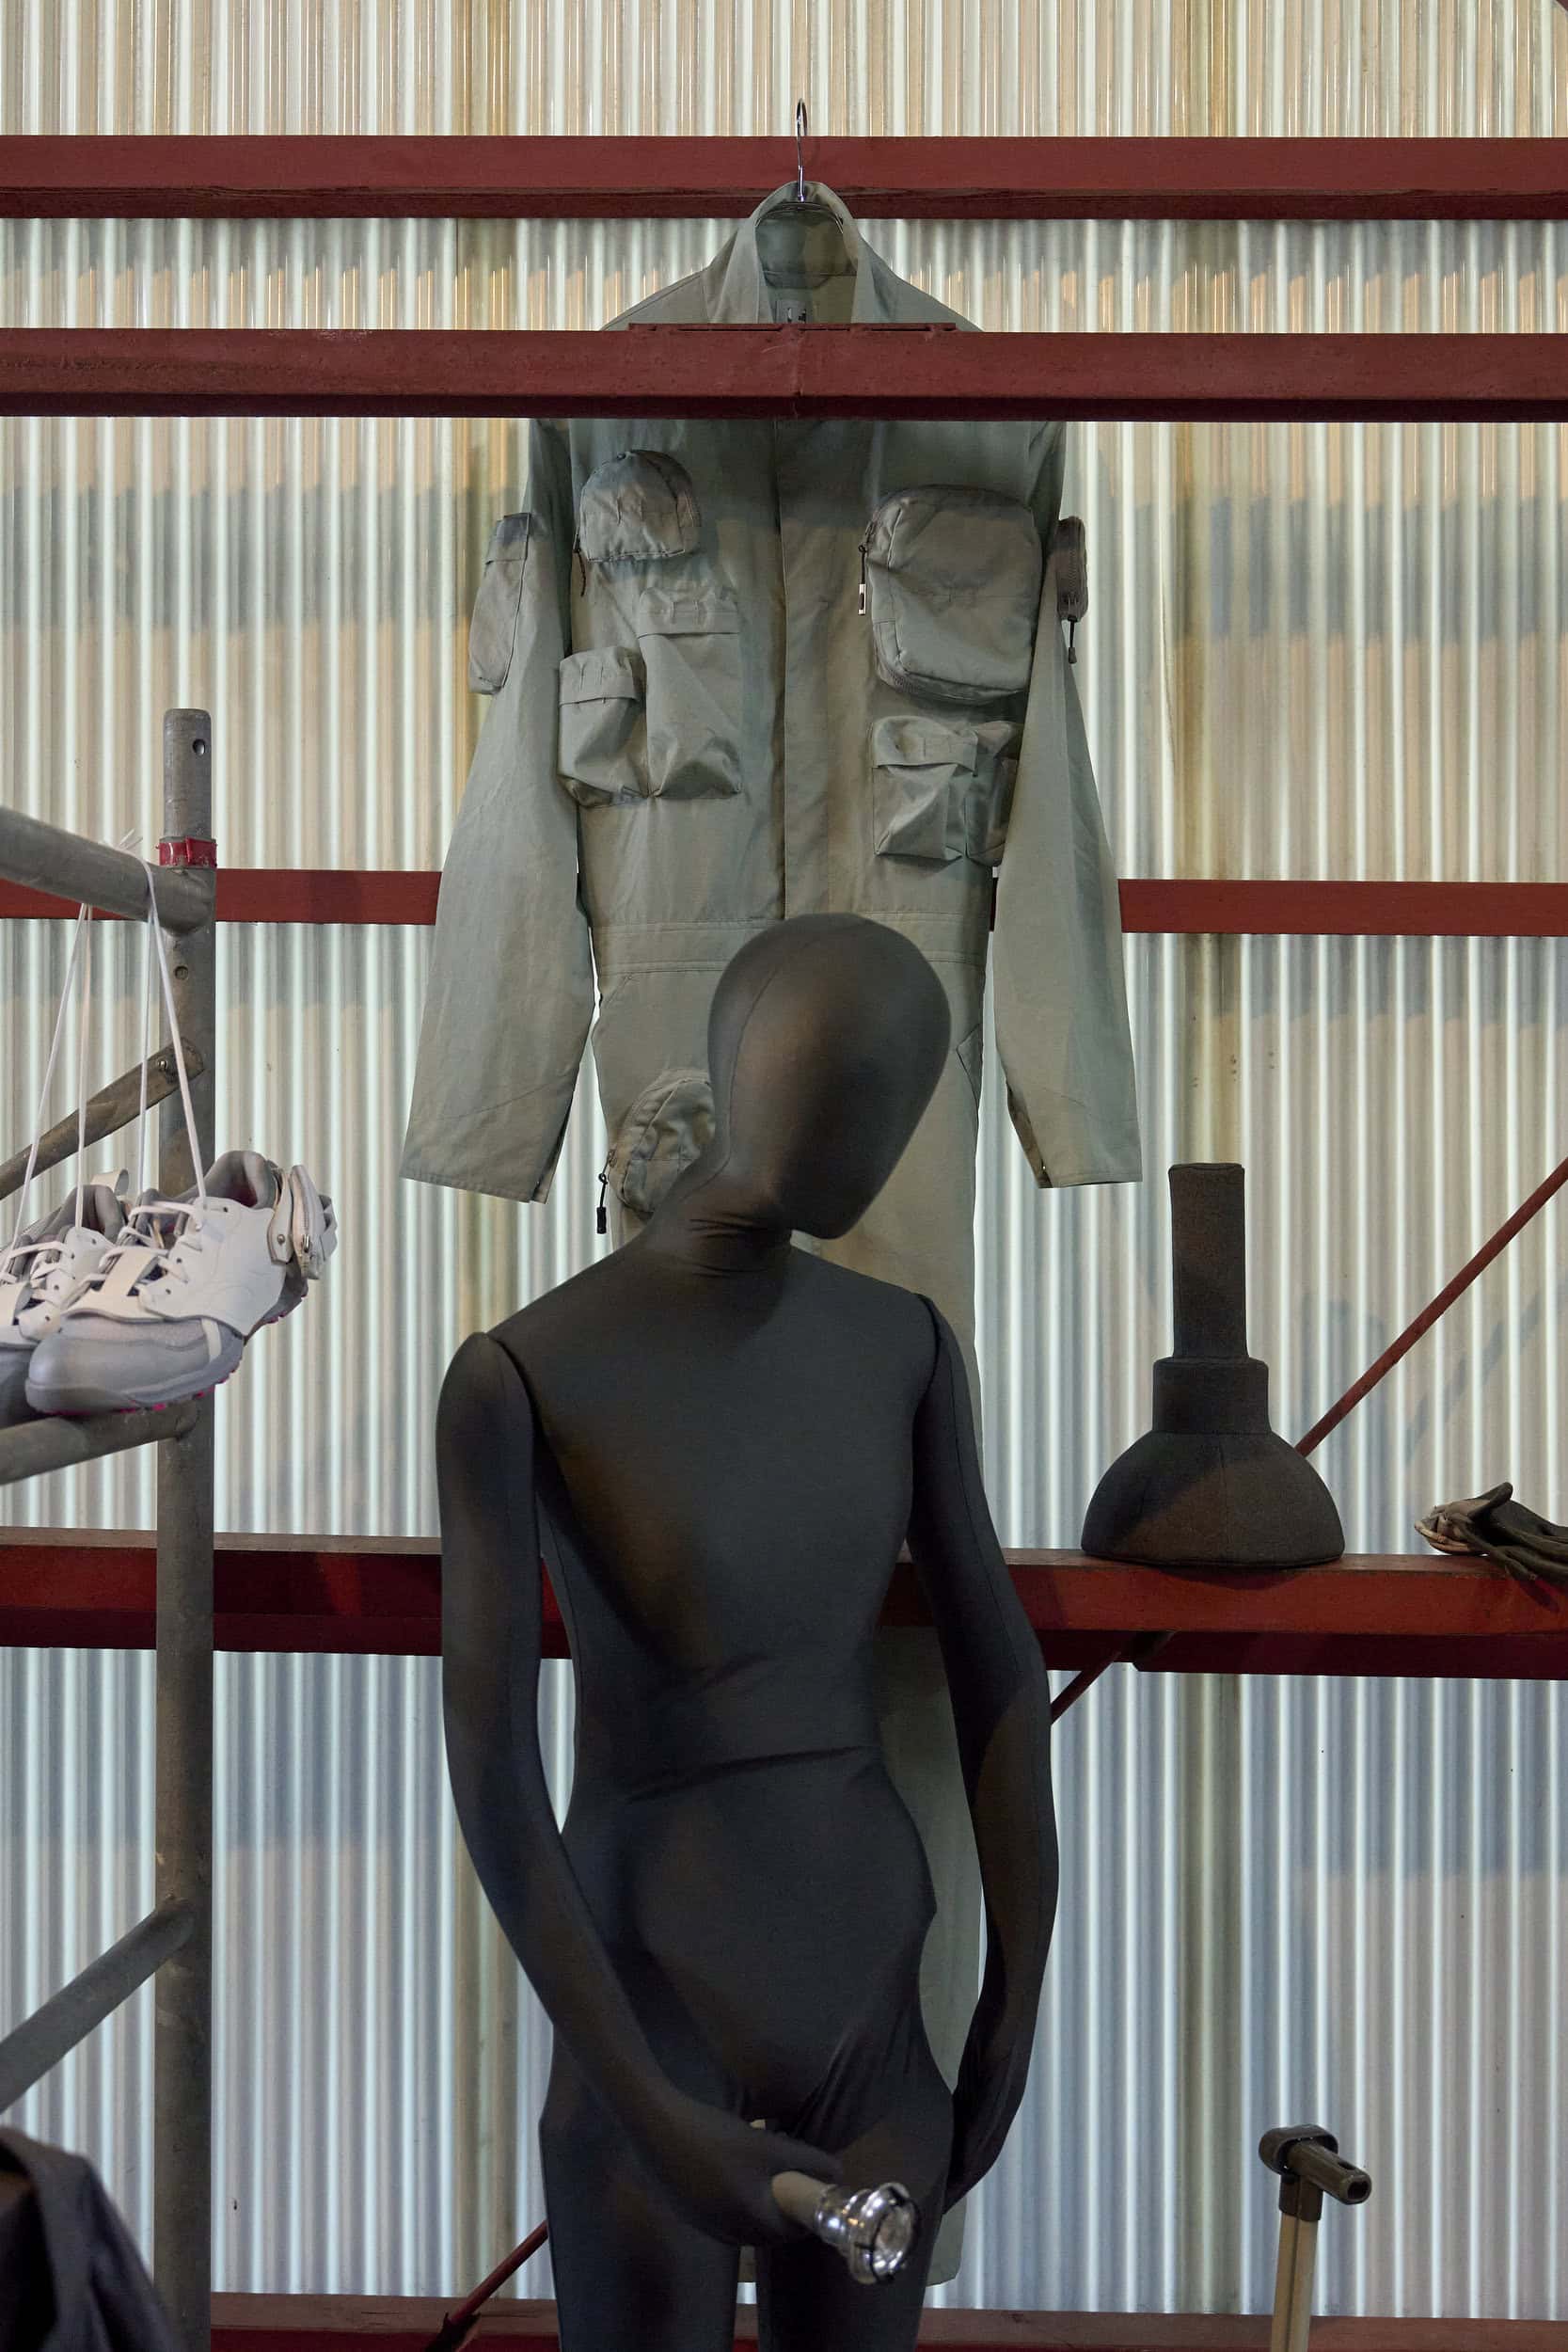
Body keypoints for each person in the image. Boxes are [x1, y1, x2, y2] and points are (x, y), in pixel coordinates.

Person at [436, 914, 1057, 2352]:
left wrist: (1014, 2008)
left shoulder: (904, 1345)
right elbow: (493, 1770)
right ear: (743, 1064)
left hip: (871, 2002)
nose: (866, 1129)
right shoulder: (521, 1371)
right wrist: (642, 2100)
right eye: (839, 1082)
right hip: (649, 2000)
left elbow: (1002, 1679)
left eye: (892, 1096)